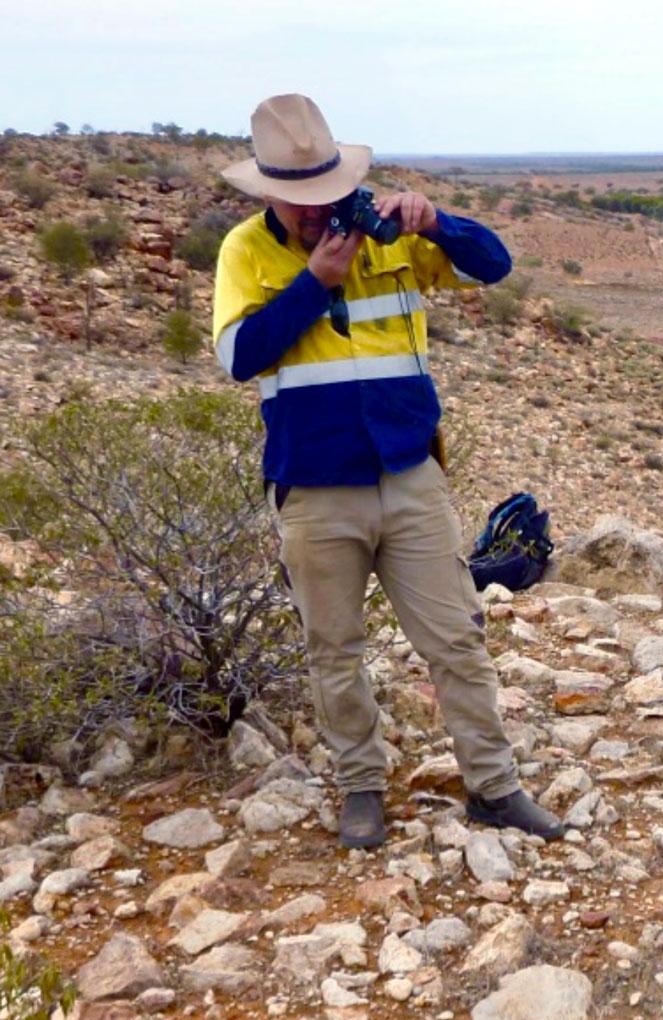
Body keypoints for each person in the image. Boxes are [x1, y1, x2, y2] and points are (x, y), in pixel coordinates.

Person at [212, 93, 566, 849]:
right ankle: (362, 790)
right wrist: (315, 283)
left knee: (457, 640)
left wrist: (437, 223)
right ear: (270, 193)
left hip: (408, 474)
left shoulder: (386, 234)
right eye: (303, 202)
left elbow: (493, 265)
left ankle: (495, 789)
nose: (320, 213)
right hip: (313, 486)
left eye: (330, 196)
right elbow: (239, 357)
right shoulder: (245, 249)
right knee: (333, 650)